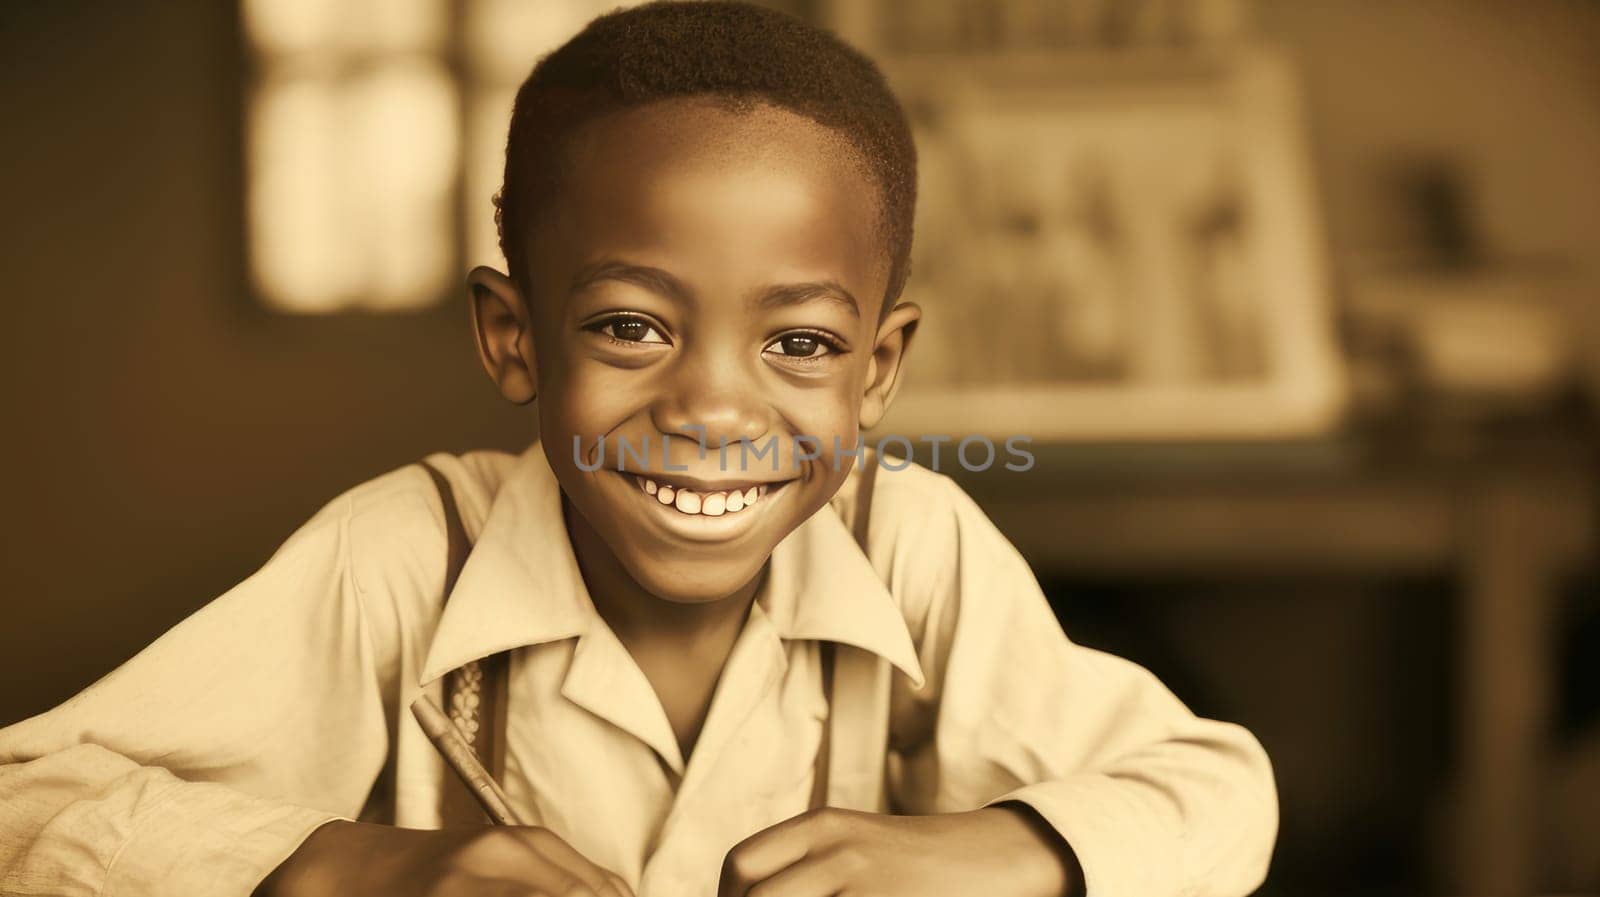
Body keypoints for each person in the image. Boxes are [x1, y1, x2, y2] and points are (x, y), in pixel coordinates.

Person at [0, 3, 1277, 895]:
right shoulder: (404, 558)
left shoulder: (909, 544)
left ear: (878, 368)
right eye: (631, 327)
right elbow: (25, 810)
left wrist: (1009, 849)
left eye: (802, 347)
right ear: (512, 337)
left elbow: (1220, 791)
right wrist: (341, 861)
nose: (715, 411)